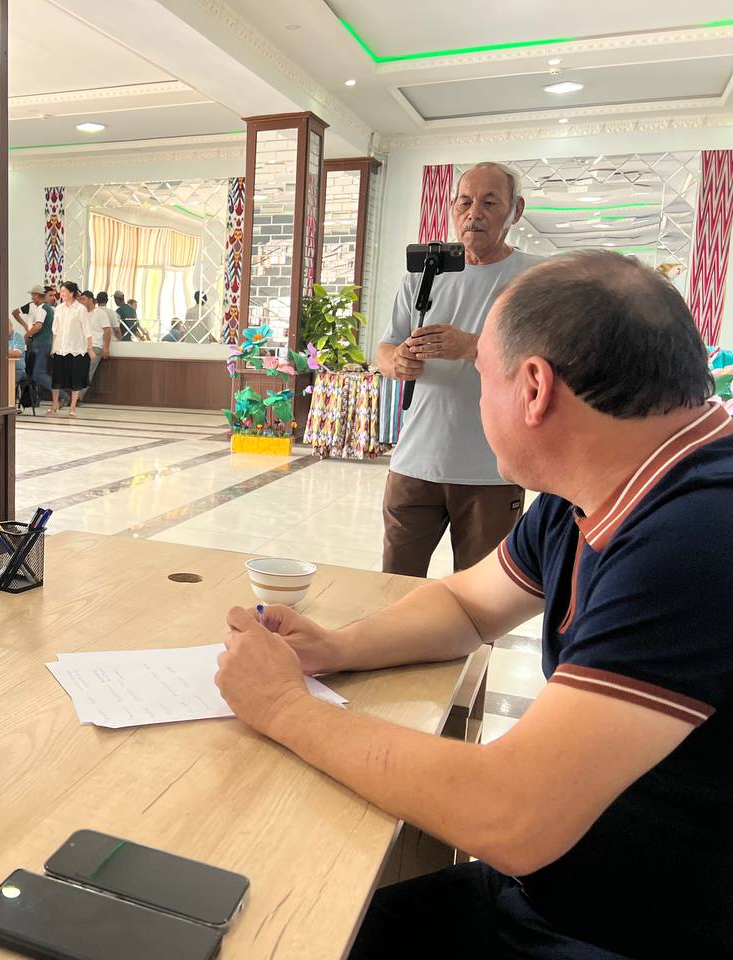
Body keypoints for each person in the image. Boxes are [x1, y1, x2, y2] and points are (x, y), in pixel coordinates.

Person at [216, 250, 731, 959]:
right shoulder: (601, 486)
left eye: (482, 375)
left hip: (627, 934)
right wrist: (334, 647)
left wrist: (282, 707)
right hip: (566, 895)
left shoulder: (699, 535)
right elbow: (468, 604)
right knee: (275, 922)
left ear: (533, 388)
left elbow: (512, 813)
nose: (478, 400)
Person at [376, 161, 541, 577]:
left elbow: (549, 362)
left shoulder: (535, 278)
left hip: (492, 472)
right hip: (413, 464)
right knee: (395, 585)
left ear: (516, 210)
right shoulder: (422, 274)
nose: (474, 214)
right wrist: (396, 362)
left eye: (490, 203)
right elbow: (386, 347)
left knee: (480, 594)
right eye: (464, 202)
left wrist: (471, 347)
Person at [47, 281, 94, 418]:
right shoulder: (59, 308)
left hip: (76, 349)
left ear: (71, 293)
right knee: (56, 379)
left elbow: (87, 330)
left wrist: (90, 348)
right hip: (60, 348)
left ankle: (72, 407)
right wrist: (53, 347)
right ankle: (55, 404)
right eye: (61, 291)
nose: (61, 294)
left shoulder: (81, 309)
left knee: (75, 380)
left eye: (64, 291)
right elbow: (55, 330)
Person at [78, 291, 113, 402]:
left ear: (91, 299)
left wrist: (106, 348)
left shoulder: (100, 313)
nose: (82, 302)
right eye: (81, 299)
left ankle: (78, 396)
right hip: (82, 347)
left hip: (96, 346)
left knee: (87, 371)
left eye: (83, 299)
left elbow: (107, 330)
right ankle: (73, 395)